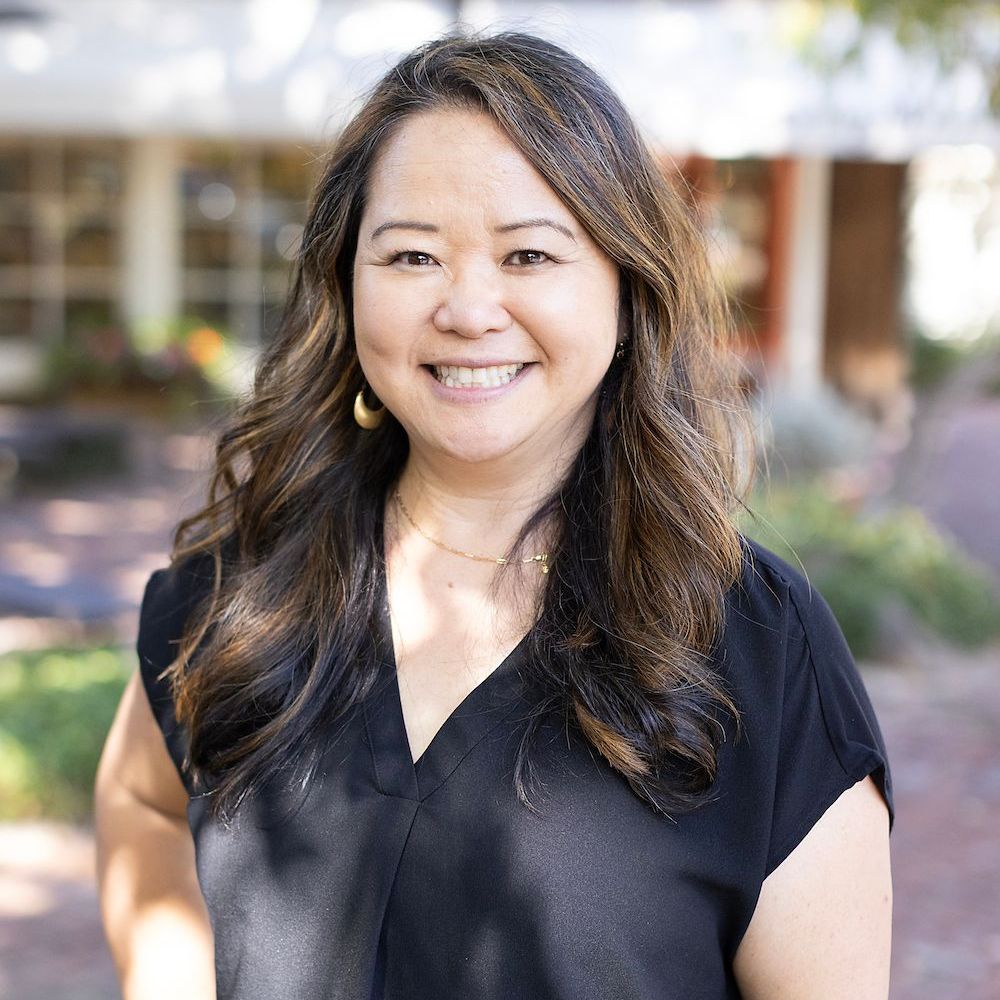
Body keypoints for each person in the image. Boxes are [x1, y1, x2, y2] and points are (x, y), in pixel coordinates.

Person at [94, 28, 894, 1000]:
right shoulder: (241, 590)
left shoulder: (757, 649)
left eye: (527, 253)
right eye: (412, 255)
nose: (469, 308)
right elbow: (141, 798)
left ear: (625, 285)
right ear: (346, 286)